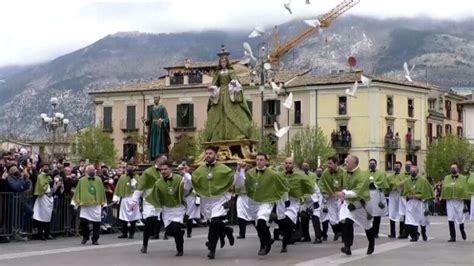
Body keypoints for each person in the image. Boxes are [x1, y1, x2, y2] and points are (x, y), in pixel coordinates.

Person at [234, 152, 289, 257]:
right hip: (253, 203)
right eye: (257, 160)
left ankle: (265, 244)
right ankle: (265, 242)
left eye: (261, 160)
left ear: (265, 161)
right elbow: (240, 183)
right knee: (258, 226)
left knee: (261, 222)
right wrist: (240, 170)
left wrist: (286, 200)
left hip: (266, 202)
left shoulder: (273, 174)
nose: (259, 162)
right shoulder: (250, 173)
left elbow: (283, 187)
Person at [188, 146, 236, 259]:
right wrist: (186, 174)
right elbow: (193, 182)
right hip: (206, 200)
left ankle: (212, 248)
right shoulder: (199, 170)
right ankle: (226, 230)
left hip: (220, 199)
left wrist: (240, 171)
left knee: (215, 222)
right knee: (213, 223)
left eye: (210, 153)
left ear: (215, 155)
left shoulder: (224, 168)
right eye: (206, 153)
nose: (208, 155)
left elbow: (233, 180)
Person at [204, 45, 253, 141]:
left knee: (232, 113)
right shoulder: (217, 73)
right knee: (218, 114)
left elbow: (237, 83)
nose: (223, 63)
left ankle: (236, 134)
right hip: (219, 95)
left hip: (229, 94)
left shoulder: (231, 72)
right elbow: (214, 84)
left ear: (227, 62)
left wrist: (234, 84)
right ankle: (217, 135)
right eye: (221, 62)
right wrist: (212, 88)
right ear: (220, 62)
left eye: (224, 61)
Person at [147, 160, 188, 257]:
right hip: (167, 210)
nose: (163, 171)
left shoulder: (179, 179)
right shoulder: (158, 183)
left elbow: (186, 189)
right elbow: (154, 195)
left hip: (178, 208)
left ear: (170, 169)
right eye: (161, 170)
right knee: (169, 231)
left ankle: (180, 250)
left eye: (165, 169)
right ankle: (179, 234)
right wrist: (156, 205)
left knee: (176, 228)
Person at [336, 155, 375, 256]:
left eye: (347, 162)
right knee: (347, 222)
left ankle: (371, 243)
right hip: (349, 204)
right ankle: (347, 246)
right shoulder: (344, 173)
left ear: (354, 163)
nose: (345, 163)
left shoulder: (362, 176)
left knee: (367, 226)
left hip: (361, 205)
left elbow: (357, 192)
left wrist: (344, 193)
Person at [276, 158, 314, 252]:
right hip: (282, 200)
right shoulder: (279, 175)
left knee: (288, 221)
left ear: (293, 165)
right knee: (282, 223)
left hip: (293, 201)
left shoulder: (300, 175)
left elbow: (310, 187)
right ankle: (282, 234)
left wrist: (303, 197)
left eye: (290, 163)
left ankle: (285, 244)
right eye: (286, 163)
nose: (288, 165)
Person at [132, 155, 165, 254]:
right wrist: (134, 201)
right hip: (150, 201)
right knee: (150, 221)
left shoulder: (167, 171)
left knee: (172, 224)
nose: (165, 161)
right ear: (157, 161)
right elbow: (140, 188)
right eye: (163, 160)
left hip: (163, 201)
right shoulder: (148, 173)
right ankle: (144, 245)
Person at [71, 165, 107, 245]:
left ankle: (95, 239)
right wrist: (74, 203)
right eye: (90, 170)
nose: (92, 171)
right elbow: (77, 192)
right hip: (85, 206)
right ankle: (85, 236)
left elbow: (102, 192)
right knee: (83, 222)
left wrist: (104, 203)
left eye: (93, 170)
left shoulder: (98, 180)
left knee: (96, 224)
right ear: (86, 172)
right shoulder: (81, 180)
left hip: (96, 205)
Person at [401, 164, 434, 242]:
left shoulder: (423, 180)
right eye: (411, 171)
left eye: (414, 171)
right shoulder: (407, 181)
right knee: (410, 220)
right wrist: (408, 195)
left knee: (421, 219)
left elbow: (428, 191)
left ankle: (423, 233)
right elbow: (403, 192)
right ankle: (414, 236)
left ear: (417, 172)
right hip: (410, 203)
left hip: (419, 202)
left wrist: (421, 197)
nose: (412, 172)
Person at [318, 156, 344, 241]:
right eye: (327, 163)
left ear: (336, 163)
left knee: (341, 216)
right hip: (330, 197)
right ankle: (337, 232)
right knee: (332, 217)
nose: (328, 165)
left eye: (330, 163)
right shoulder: (325, 173)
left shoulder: (343, 172)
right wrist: (324, 192)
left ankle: (343, 234)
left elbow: (346, 183)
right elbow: (321, 183)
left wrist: (344, 194)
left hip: (340, 197)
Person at [440, 162, 468, 242]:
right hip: (450, 201)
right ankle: (452, 236)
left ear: (458, 169)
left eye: (454, 168)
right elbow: (444, 187)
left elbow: (464, 188)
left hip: (459, 201)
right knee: (450, 218)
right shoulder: (447, 178)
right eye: (451, 168)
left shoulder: (463, 178)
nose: (452, 169)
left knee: (460, 218)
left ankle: (462, 230)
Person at [113, 163, 141, 239]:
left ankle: (131, 233)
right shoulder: (122, 177)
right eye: (128, 167)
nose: (129, 169)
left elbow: (140, 188)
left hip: (134, 199)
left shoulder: (137, 178)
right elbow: (118, 188)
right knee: (123, 217)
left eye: (131, 167)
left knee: (133, 217)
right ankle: (124, 233)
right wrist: (116, 199)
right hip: (125, 199)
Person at [32, 163, 56, 240]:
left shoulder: (48, 176)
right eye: (45, 167)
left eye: (47, 167)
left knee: (48, 216)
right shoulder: (40, 176)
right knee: (42, 216)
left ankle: (47, 233)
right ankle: (40, 233)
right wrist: (48, 182)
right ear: (42, 168)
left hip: (49, 197)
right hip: (43, 197)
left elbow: (51, 183)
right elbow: (42, 187)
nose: (47, 168)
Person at [367, 159, 389, 238]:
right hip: (368, 195)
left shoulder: (381, 173)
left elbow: (383, 182)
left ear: (376, 164)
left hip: (377, 194)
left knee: (377, 214)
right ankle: (370, 231)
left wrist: (375, 184)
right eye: (370, 163)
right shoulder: (365, 173)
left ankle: (376, 232)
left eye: (373, 163)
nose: (372, 165)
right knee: (369, 213)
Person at [178, 163, 201, 238]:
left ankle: (189, 232)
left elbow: (192, 182)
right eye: (182, 166)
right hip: (181, 197)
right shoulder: (179, 177)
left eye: (185, 166)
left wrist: (185, 173)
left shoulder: (191, 176)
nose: (183, 168)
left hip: (189, 196)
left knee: (189, 214)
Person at [144, 96, 171, 160]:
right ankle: (153, 156)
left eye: (156, 98)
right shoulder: (151, 109)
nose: (155, 100)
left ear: (159, 99)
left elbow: (166, 119)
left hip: (160, 127)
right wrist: (144, 121)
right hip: (153, 128)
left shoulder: (163, 108)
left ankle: (160, 155)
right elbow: (149, 120)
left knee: (160, 141)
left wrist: (162, 120)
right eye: (154, 98)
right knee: (153, 141)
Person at [387, 161, 405, 238]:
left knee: (401, 212)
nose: (396, 167)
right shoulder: (390, 177)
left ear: (400, 167)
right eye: (395, 166)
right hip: (392, 195)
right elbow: (387, 185)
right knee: (392, 213)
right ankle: (392, 232)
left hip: (400, 195)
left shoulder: (404, 176)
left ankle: (401, 232)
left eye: (397, 166)